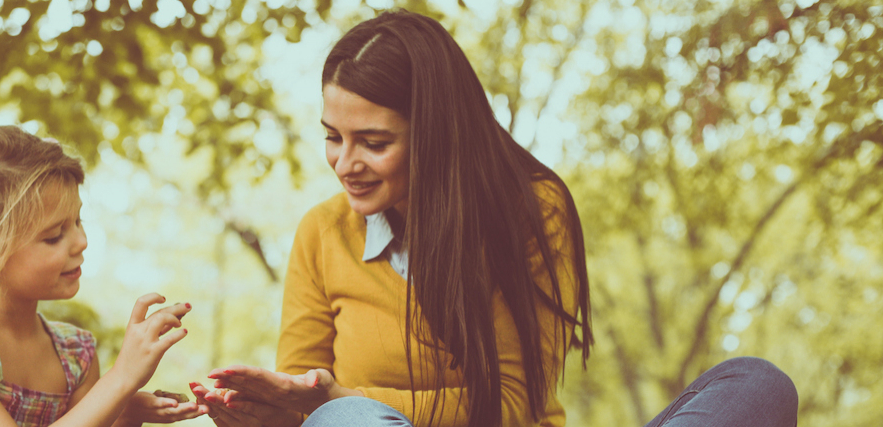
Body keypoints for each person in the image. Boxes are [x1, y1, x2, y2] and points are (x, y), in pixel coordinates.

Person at [189, 10, 797, 427]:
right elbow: (305, 407)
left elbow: (511, 406)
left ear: (435, 133)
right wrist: (262, 414)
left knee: (756, 384)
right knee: (346, 420)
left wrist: (338, 395)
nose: (345, 164)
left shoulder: (532, 211)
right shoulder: (321, 233)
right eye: (333, 137)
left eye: (373, 142)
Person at [0, 123, 205, 427]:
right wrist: (121, 379)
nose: (81, 242)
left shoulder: (75, 356)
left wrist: (123, 414)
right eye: (54, 236)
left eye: (78, 221)